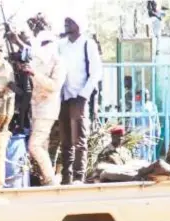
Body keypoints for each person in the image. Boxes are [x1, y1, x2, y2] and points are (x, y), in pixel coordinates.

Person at [58, 12, 103, 185]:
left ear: (79, 24)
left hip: (79, 97)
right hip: (64, 96)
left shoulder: (87, 44)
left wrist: (84, 95)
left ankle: (79, 176)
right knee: (66, 139)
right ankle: (66, 177)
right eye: (65, 21)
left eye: (70, 20)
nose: (66, 23)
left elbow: (96, 73)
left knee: (79, 139)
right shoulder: (61, 45)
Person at [19, 31, 66, 186]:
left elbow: (54, 86)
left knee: (34, 145)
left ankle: (51, 179)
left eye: (47, 42)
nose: (45, 46)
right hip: (36, 108)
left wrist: (34, 73)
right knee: (42, 146)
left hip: (48, 110)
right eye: (43, 43)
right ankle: (46, 179)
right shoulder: (38, 61)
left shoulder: (59, 62)